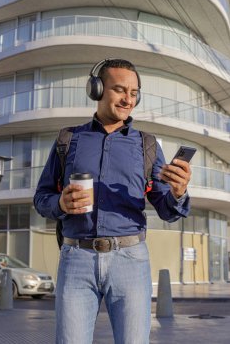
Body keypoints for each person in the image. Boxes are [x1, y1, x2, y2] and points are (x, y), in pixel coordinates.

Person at [34, 58, 191, 344]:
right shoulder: (68, 139)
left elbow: (166, 210)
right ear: (96, 89)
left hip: (130, 260)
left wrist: (178, 193)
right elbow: (41, 198)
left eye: (134, 93)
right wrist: (61, 204)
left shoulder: (147, 145)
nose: (127, 99)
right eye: (119, 90)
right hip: (76, 258)